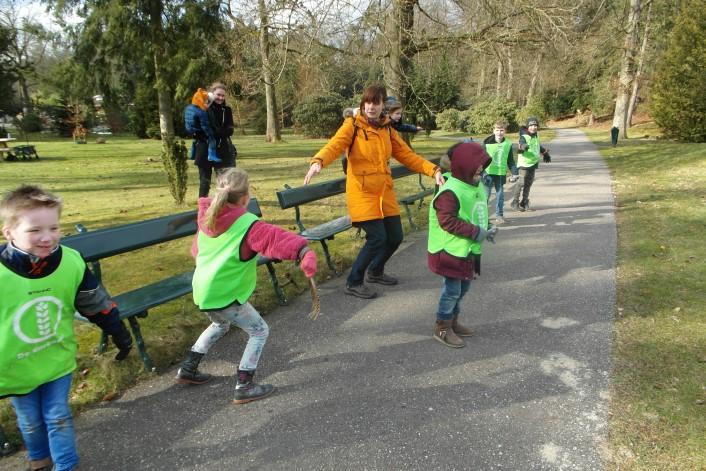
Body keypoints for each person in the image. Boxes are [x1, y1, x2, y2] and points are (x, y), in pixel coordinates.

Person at [1, 185, 133, 471]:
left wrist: (119, 333)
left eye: (54, 227)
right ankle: (39, 459)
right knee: (30, 421)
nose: (47, 238)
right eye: (35, 230)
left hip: (56, 358)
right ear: (8, 232)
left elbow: (95, 303)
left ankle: (66, 465)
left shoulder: (70, 261)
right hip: (14, 368)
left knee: (57, 414)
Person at [175, 168, 317, 405]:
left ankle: (188, 368)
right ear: (244, 198)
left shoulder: (207, 216)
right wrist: (303, 250)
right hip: (226, 293)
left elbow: (196, 251)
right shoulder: (248, 225)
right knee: (259, 331)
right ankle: (244, 384)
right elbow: (275, 239)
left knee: (219, 324)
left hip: (202, 289)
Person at [304, 83, 444, 299]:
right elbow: (334, 145)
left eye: (376, 103)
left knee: (395, 236)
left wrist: (432, 170)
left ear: (383, 106)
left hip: (384, 192)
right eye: (367, 102)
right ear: (363, 104)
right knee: (378, 237)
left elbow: (407, 156)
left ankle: (376, 271)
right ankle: (354, 281)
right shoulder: (353, 125)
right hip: (362, 192)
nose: (371, 107)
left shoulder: (387, 128)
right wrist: (318, 162)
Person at [427, 142, 497, 348]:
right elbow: (447, 221)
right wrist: (477, 232)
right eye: (476, 166)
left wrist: (488, 227)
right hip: (450, 251)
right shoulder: (449, 192)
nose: (480, 170)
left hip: (466, 249)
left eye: (482, 166)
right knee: (452, 291)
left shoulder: (474, 185)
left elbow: (476, 211)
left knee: (463, 288)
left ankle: (453, 322)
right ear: (463, 165)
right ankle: (442, 327)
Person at [185, 83, 237, 198]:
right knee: (205, 182)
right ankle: (202, 207)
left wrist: (212, 134)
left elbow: (230, 130)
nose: (221, 98)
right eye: (218, 95)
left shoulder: (226, 110)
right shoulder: (201, 109)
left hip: (222, 150)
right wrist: (206, 134)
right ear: (212, 94)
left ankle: (224, 205)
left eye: (223, 96)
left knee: (224, 182)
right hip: (204, 150)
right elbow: (195, 130)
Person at [510, 117, 551, 212]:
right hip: (524, 163)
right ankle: (515, 202)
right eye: (531, 125)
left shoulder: (536, 135)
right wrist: (524, 147)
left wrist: (545, 152)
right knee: (521, 183)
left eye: (535, 125)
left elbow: (537, 145)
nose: (534, 127)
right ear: (528, 127)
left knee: (529, 183)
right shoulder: (524, 136)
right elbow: (521, 144)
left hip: (533, 163)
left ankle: (524, 202)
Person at [482, 121, 519, 224]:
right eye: (497, 130)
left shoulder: (508, 144)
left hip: (500, 173)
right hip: (487, 173)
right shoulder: (487, 143)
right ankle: (484, 217)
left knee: (500, 195)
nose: (499, 132)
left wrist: (515, 172)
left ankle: (499, 215)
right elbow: (480, 159)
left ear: (505, 131)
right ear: (493, 131)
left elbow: (510, 160)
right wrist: (481, 173)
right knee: (486, 196)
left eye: (501, 130)